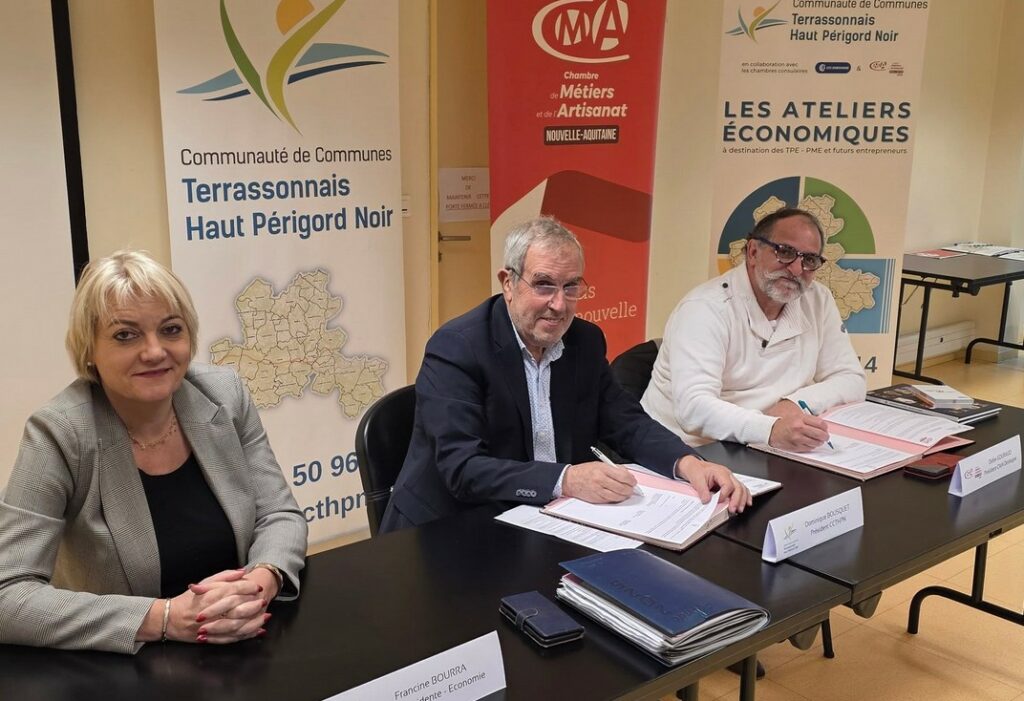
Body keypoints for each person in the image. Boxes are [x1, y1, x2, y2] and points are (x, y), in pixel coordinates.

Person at [0, 251, 307, 653]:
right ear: (89, 348)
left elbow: (280, 515)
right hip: (122, 665)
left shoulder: (224, 395)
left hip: (241, 639)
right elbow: (8, 593)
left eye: (171, 329)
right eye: (125, 335)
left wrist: (257, 584)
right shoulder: (60, 432)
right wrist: (166, 618)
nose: (155, 351)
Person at [380, 217, 750, 533]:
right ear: (508, 283)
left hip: (547, 518)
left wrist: (689, 463)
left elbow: (626, 422)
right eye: (543, 284)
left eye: (571, 286)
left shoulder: (584, 341)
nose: (559, 305)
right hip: (451, 528)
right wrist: (566, 480)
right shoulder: (458, 347)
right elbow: (463, 469)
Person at [642, 208, 866, 452]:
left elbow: (851, 379)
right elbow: (693, 409)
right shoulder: (704, 308)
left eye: (809, 260)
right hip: (689, 451)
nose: (796, 269)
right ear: (753, 252)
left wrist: (793, 404)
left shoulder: (817, 300)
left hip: (766, 445)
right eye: (785, 252)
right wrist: (770, 428)